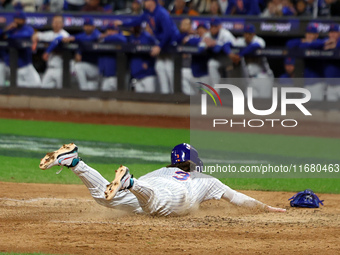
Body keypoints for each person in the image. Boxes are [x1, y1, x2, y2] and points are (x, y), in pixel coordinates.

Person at [39, 143, 286, 216]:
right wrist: (265, 207)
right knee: (156, 204)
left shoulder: (161, 170)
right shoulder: (205, 178)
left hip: (148, 187)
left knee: (105, 197)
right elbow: (237, 198)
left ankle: (75, 163)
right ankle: (129, 182)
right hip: (171, 195)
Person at [114, 0, 180, 94]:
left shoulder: (161, 13)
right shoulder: (148, 13)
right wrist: (123, 24)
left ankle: (178, 102)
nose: (144, 3)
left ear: (152, 1)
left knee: (171, 77)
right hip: (162, 48)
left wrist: (159, 46)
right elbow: (136, 21)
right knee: (160, 69)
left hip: (171, 47)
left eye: (146, 1)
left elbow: (168, 33)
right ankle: (167, 101)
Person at [232, 24, 274, 98]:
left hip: (263, 77)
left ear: (254, 34)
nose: (247, 36)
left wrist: (240, 54)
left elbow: (255, 46)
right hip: (250, 80)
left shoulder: (259, 40)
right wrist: (230, 54)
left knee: (264, 104)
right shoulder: (241, 41)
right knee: (247, 102)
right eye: (246, 33)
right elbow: (227, 44)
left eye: (249, 34)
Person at [286, 24, 325, 101]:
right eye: (308, 33)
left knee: (317, 109)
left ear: (316, 35)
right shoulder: (301, 42)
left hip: (317, 84)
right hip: (305, 84)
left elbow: (318, 44)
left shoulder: (319, 43)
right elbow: (289, 44)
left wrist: (306, 43)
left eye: (311, 34)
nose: (309, 36)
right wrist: (302, 41)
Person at [2, 11, 41, 88]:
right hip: (12, 67)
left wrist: (9, 37)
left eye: (19, 19)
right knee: (15, 87)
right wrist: (5, 30)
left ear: (24, 20)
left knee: (37, 85)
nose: (17, 21)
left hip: (26, 65)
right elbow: (2, 36)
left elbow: (23, 36)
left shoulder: (28, 29)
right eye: (15, 19)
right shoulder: (10, 30)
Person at [32, 15, 70, 89]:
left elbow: (58, 40)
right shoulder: (49, 34)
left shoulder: (65, 34)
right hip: (49, 68)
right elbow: (36, 35)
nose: (56, 24)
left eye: (59, 22)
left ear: (63, 24)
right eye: (55, 22)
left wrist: (47, 52)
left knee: (62, 91)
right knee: (43, 89)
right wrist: (34, 41)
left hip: (61, 69)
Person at [63, 17, 101, 91]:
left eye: (89, 25)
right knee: (72, 64)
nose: (87, 27)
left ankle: (83, 90)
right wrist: (78, 52)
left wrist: (74, 38)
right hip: (87, 69)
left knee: (79, 67)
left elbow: (88, 39)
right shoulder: (82, 35)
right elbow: (81, 39)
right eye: (86, 25)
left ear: (93, 26)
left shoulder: (97, 34)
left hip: (96, 68)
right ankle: (81, 89)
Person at [199, 18, 235, 90]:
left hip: (231, 59)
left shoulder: (226, 34)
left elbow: (219, 49)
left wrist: (213, 43)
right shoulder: (207, 35)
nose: (213, 28)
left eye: (215, 26)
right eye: (211, 26)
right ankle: (215, 91)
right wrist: (209, 45)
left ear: (219, 26)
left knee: (235, 80)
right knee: (211, 64)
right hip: (219, 59)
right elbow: (200, 49)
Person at [98, 23, 127, 91]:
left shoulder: (120, 38)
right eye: (108, 30)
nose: (109, 32)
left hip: (117, 77)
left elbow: (122, 39)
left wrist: (105, 38)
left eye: (112, 30)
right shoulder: (104, 41)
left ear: (117, 31)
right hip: (104, 76)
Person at [129, 25, 158, 93]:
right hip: (136, 74)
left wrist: (148, 63)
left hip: (148, 74)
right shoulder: (131, 38)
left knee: (150, 99)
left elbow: (155, 52)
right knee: (138, 100)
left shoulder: (147, 37)